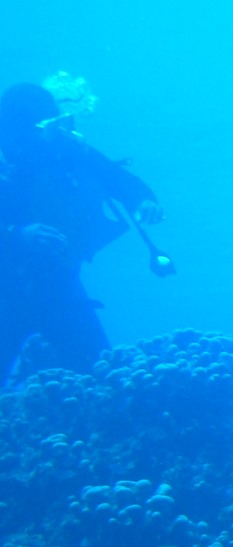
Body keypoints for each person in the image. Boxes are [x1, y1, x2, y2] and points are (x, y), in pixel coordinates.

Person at [0, 82, 168, 385]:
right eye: (39, 127)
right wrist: (17, 235)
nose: (48, 134)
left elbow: (117, 178)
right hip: (6, 288)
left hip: (59, 282)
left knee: (100, 378)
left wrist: (144, 200)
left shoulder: (66, 148)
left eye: (51, 124)